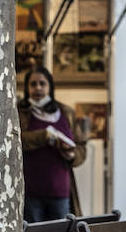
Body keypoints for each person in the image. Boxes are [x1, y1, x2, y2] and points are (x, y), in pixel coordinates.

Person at [20, 66, 86, 222]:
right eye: (33, 84)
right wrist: (45, 135)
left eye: (42, 84)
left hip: (60, 191)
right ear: (27, 88)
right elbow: (17, 140)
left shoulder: (66, 113)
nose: (38, 88)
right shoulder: (19, 113)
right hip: (31, 191)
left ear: (50, 87)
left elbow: (81, 146)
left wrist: (72, 154)